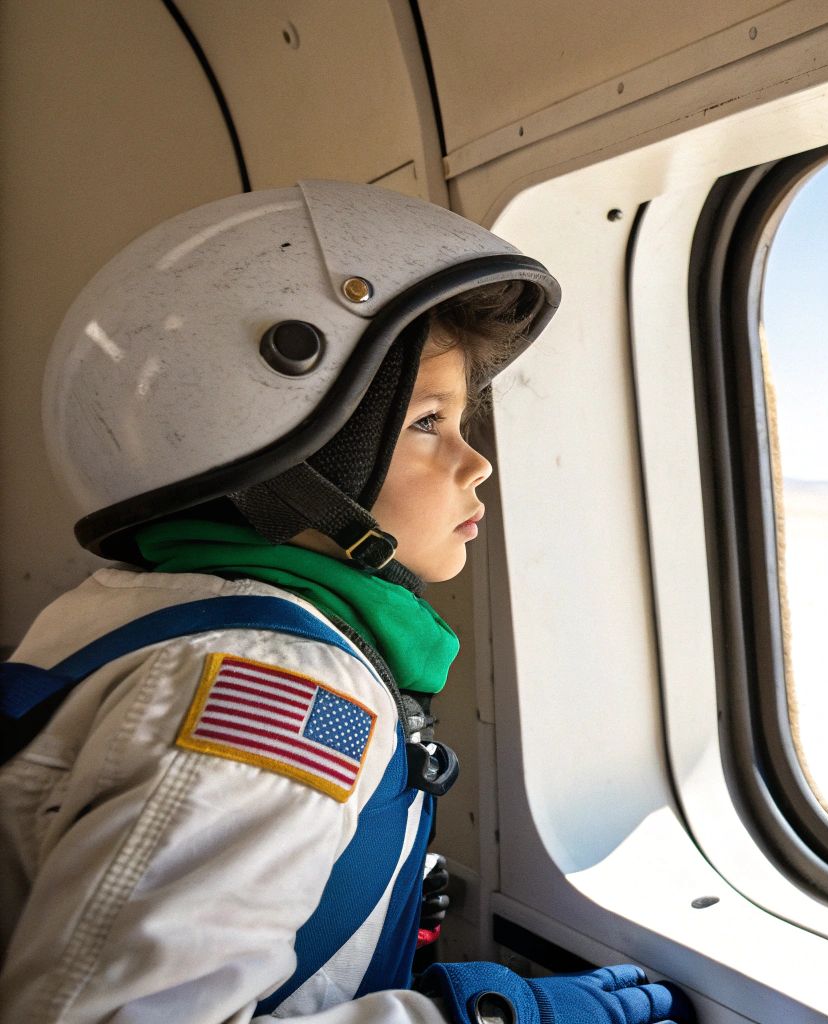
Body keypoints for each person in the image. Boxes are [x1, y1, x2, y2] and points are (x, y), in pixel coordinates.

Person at [0, 181, 691, 1024]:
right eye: (428, 423)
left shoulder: (149, 615)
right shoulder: (272, 686)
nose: (477, 467)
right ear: (285, 460)